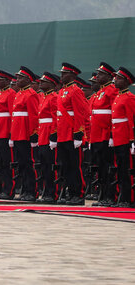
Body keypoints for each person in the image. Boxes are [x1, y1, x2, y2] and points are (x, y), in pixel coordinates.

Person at [56, 62, 90, 205]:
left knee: (75, 166)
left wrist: (78, 134)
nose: (62, 76)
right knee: (66, 166)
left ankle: (79, 194)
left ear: (72, 75)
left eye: (64, 74)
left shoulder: (76, 91)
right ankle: (70, 193)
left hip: (71, 134)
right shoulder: (62, 91)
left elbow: (80, 113)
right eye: (61, 73)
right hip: (63, 134)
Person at [88, 62, 118, 206]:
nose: (97, 76)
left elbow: (115, 114)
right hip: (96, 136)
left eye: (100, 74)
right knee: (100, 168)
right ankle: (102, 195)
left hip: (105, 135)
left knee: (107, 168)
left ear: (107, 76)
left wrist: (112, 134)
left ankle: (109, 196)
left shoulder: (112, 91)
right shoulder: (99, 93)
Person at [11, 66, 40, 201]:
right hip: (17, 134)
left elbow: (33, 116)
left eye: (20, 78)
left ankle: (31, 191)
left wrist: (33, 134)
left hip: (25, 134)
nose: (17, 80)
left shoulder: (31, 94)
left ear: (28, 79)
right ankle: (24, 190)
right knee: (21, 164)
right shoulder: (19, 94)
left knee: (28, 164)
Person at [109, 67, 135, 207]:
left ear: (126, 81)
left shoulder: (130, 98)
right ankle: (122, 197)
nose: (115, 80)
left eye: (118, 78)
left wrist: (133, 141)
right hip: (118, 138)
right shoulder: (118, 96)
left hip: (126, 139)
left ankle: (128, 198)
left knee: (127, 170)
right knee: (120, 169)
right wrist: (112, 136)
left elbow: (132, 121)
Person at [0, 70, 16, 199]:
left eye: (0, 80)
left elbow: (12, 115)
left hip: (5, 133)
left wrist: (11, 134)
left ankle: (9, 190)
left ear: (7, 81)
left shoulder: (11, 94)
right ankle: (1, 189)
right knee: (0, 164)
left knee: (7, 164)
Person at [37, 72, 60, 203]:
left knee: (51, 165)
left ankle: (52, 193)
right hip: (42, 134)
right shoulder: (43, 97)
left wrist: (53, 135)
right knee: (44, 166)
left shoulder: (53, 98)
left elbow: (55, 118)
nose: (40, 83)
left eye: (43, 82)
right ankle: (47, 192)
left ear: (51, 84)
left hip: (49, 134)